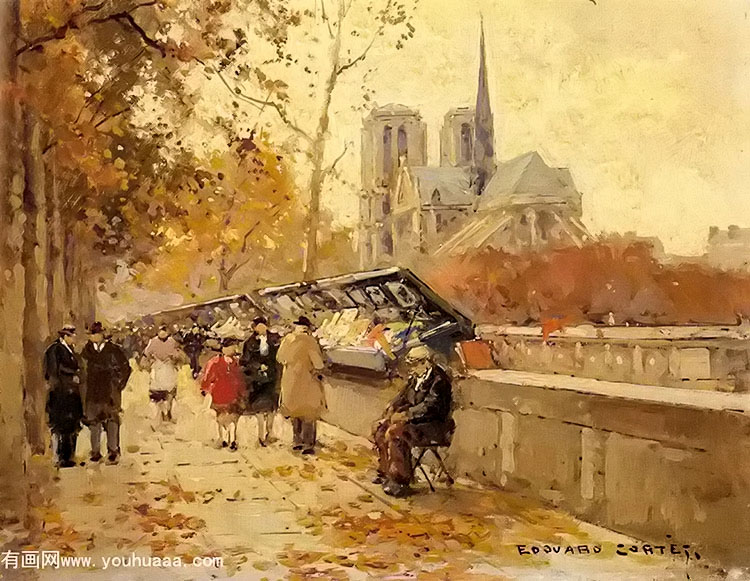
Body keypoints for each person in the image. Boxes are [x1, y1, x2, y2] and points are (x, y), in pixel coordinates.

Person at [373, 345, 453, 497]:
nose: (411, 368)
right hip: (416, 423)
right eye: (410, 364)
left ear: (426, 363)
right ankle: (385, 472)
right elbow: (402, 396)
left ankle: (400, 480)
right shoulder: (416, 378)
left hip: (433, 426)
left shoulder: (439, 380)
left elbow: (430, 407)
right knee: (380, 428)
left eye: (414, 364)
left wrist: (407, 415)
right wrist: (391, 407)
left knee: (396, 432)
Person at [80, 322, 132, 464]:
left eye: (95, 334)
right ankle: (95, 451)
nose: (93, 337)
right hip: (93, 392)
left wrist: (119, 385)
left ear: (102, 334)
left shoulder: (114, 350)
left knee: (112, 421)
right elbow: (82, 371)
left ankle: (113, 450)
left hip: (110, 392)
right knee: (94, 422)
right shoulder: (86, 351)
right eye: (91, 334)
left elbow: (126, 368)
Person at [277, 316, 326, 454]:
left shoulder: (287, 339)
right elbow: (318, 363)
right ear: (307, 328)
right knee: (308, 411)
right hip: (307, 380)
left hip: (290, 380)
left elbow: (280, 358)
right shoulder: (310, 341)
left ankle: (297, 441)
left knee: (294, 410)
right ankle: (308, 443)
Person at [43, 324, 84, 468]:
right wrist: (71, 376)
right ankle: (61, 457)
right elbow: (54, 371)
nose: (75, 339)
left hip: (70, 394)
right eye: (72, 336)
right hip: (60, 394)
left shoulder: (70, 350)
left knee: (71, 425)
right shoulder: (54, 350)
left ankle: (68, 457)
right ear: (65, 337)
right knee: (60, 425)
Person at [241, 317, 281, 447]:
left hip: (271, 377)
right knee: (258, 408)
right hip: (257, 379)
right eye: (259, 326)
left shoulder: (274, 339)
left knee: (271, 407)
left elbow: (279, 357)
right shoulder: (249, 342)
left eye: (264, 325)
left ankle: (270, 432)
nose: (262, 328)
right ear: (254, 327)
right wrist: (258, 366)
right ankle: (260, 434)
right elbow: (245, 360)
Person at [200, 338, 246, 450]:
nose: (233, 349)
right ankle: (223, 438)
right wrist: (205, 388)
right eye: (230, 347)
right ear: (224, 349)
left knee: (233, 416)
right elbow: (207, 376)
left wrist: (243, 392)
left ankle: (232, 439)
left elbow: (241, 379)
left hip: (233, 393)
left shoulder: (237, 363)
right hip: (219, 393)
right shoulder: (215, 362)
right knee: (221, 416)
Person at [143, 325, 182, 422]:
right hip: (158, 368)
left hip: (169, 368)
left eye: (164, 331)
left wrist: (173, 358)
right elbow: (147, 354)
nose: (163, 333)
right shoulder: (153, 341)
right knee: (158, 393)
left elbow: (178, 355)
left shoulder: (172, 341)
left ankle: (168, 412)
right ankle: (161, 413)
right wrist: (151, 360)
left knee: (170, 391)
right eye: (161, 331)